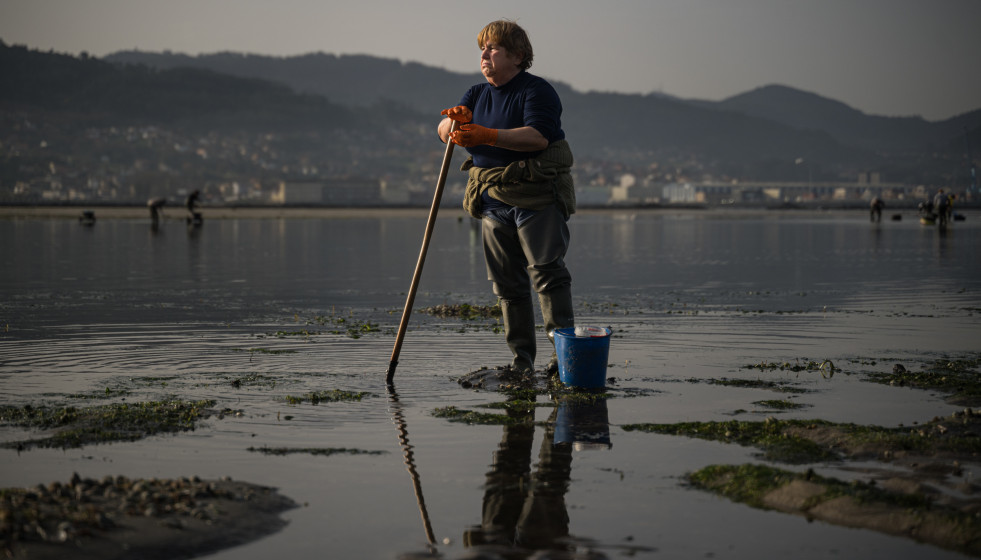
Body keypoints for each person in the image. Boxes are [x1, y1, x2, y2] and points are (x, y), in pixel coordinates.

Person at [438, 20, 576, 375]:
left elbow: (537, 139)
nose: (484, 55)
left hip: (536, 198)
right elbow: (444, 130)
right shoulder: (475, 94)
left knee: (547, 275)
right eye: (482, 49)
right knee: (508, 286)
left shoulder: (536, 91)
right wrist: (451, 124)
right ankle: (521, 361)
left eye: (493, 48)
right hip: (493, 201)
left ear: (517, 55)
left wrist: (486, 135)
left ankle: (563, 357)